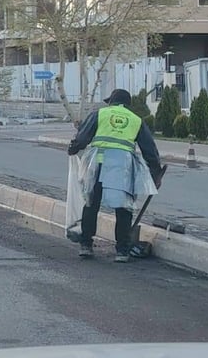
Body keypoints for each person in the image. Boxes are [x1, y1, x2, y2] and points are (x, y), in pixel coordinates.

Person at [67, 88, 163, 263]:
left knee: (91, 204)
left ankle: (86, 245)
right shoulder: (136, 120)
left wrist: (73, 148)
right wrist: (156, 174)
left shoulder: (100, 114)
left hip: (98, 164)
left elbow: (82, 137)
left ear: (111, 101)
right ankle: (122, 251)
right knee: (123, 208)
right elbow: (150, 151)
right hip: (122, 168)